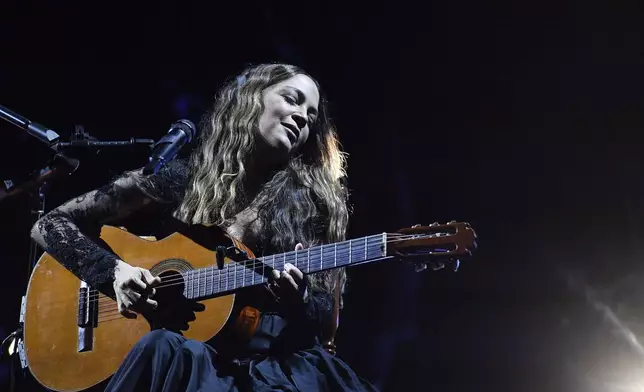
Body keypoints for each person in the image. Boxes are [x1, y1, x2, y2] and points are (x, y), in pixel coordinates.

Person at [30, 63, 378, 392]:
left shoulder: (311, 206)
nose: (302, 117)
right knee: (164, 346)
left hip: (261, 369)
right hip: (178, 358)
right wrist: (114, 272)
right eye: (291, 99)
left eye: (311, 116)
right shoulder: (182, 180)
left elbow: (323, 322)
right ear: (252, 100)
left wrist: (299, 297)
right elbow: (51, 224)